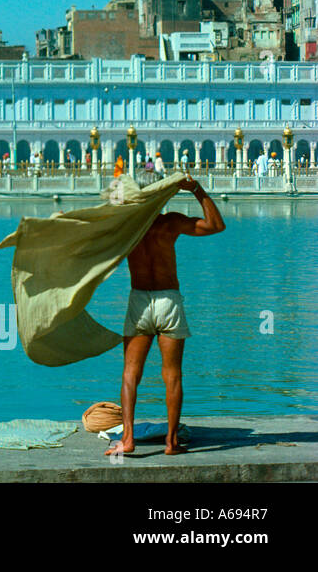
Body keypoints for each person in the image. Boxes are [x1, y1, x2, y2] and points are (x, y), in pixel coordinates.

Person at [104, 175, 224, 459]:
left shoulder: (128, 225)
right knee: (172, 375)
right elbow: (217, 225)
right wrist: (197, 189)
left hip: (139, 301)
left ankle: (128, 439)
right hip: (168, 299)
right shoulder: (169, 222)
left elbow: (89, 242)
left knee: (130, 373)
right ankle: (171, 442)